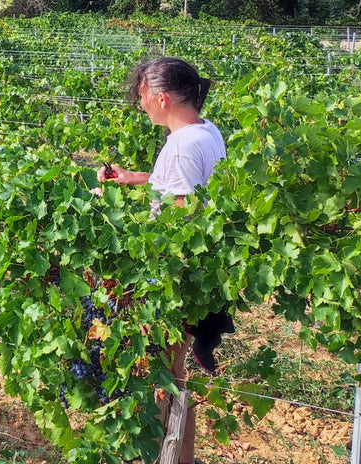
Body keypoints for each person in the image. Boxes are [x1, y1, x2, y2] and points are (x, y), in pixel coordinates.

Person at [97, 56, 226, 464]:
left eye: (143, 97)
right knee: (171, 374)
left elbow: (187, 211)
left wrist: (132, 236)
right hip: (189, 279)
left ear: (163, 98)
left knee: (161, 376)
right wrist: (133, 179)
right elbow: (182, 190)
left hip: (171, 279)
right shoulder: (203, 132)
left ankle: (166, 457)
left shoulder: (183, 147)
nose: (141, 105)